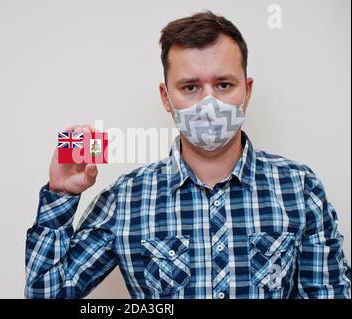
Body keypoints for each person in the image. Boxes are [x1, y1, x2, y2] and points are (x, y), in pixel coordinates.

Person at [25, 11, 351, 299]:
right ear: (166, 98)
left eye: (223, 84)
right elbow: (46, 293)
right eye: (190, 87)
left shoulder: (299, 187)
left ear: (247, 91)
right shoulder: (126, 198)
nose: (209, 104)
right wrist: (61, 195)